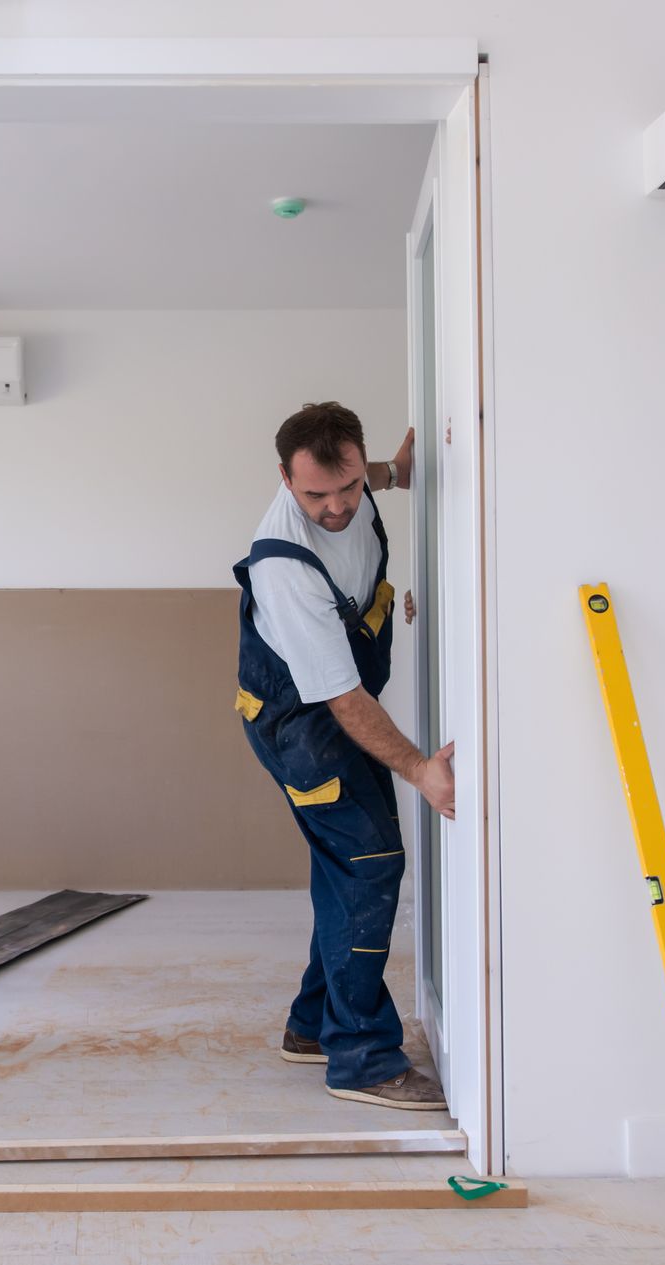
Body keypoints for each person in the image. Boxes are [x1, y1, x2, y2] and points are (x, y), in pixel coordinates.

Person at [232, 401, 455, 1109]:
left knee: (345, 865)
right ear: (284, 479)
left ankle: (309, 1026)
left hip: (340, 708)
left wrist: (397, 470)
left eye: (351, 486)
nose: (336, 508)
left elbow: (374, 477)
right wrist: (421, 769)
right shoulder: (283, 567)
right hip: (302, 722)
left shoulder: (359, 483)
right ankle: (360, 1056)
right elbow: (344, 699)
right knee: (369, 863)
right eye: (315, 495)